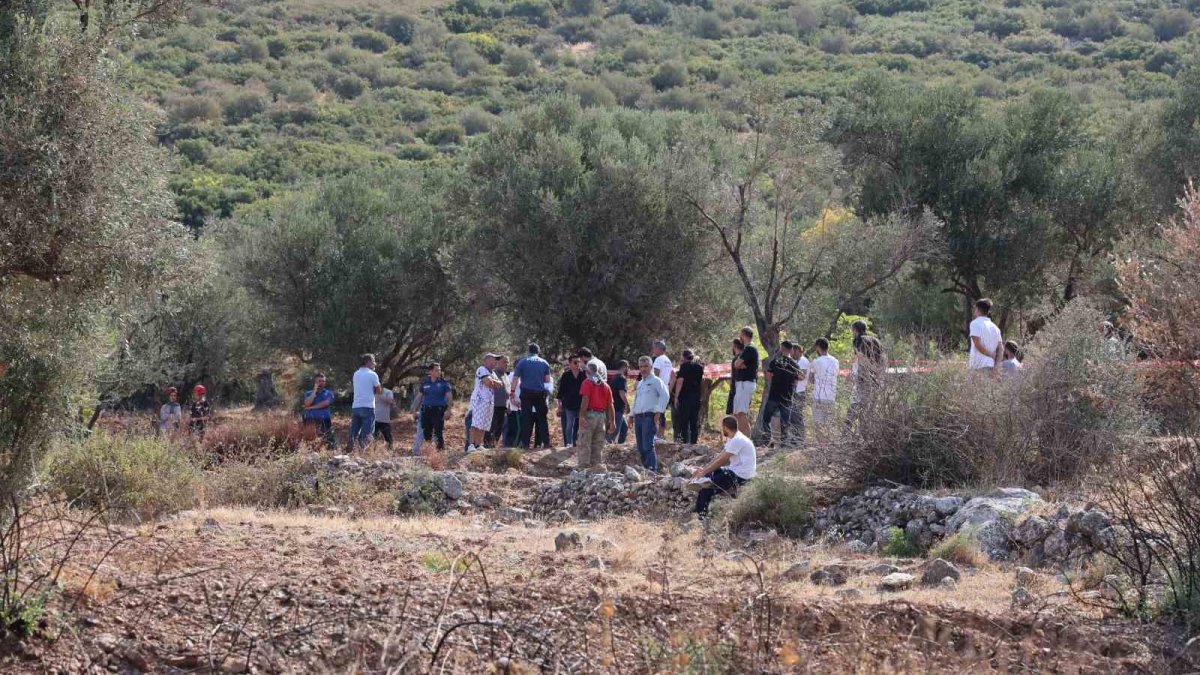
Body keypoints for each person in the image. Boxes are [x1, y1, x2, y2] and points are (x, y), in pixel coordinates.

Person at [688, 415, 756, 520]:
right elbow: (720, 456)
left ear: (725, 427)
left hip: (741, 476)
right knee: (708, 475)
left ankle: (700, 518)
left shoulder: (737, 440)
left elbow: (722, 460)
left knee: (706, 488)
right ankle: (698, 507)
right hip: (735, 471)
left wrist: (704, 472)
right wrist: (704, 470)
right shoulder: (734, 438)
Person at [631, 355, 669, 471]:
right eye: (641, 366)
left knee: (647, 445)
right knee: (640, 447)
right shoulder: (640, 383)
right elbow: (636, 400)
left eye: (646, 366)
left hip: (649, 417)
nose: (643, 369)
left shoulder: (656, 381)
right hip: (638, 417)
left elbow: (665, 395)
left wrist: (658, 411)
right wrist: (631, 415)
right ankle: (645, 470)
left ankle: (652, 471)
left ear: (651, 367)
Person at [511, 344, 553, 449]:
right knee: (542, 419)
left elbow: (515, 378)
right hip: (539, 394)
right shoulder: (544, 363)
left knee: (526, 418)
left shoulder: (522, 362)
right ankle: (546, 442)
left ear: (528, 351)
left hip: (526, 393)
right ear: (538, 352)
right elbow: (547, 380)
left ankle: (525, 443)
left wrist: (512, 391)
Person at [846, 321, 885, 429]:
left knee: (855, 406)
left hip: (863, 378)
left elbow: (861, 357)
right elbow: (882, 359)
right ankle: (865, 433)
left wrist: (863, 371)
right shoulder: (876, 340)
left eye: (852, 330)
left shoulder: (858, 340)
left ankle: (847, 432)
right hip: (876, 379)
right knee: (869, 410)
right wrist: (878, 372)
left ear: (855, 329)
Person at [577, 362, 616, 469]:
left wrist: (581, 416)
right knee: (598, 444)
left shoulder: (587, 382)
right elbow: (610, 405)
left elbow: (585, 399)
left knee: (584, 441)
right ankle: (596, 468)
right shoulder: (606, 386)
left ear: (588, 371)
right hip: (602, 417)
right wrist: (612, 421)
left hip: (589, 415)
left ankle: (583, 467)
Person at [761, 341, 799, 446]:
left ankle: (767, 440)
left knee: (766, 418)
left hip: (774, 395)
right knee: (785, 421)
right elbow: (796, 380)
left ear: (782, 348)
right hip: (787, 397)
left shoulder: (775, 361)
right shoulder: (795, 365)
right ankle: (784, 442)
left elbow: (769, 376)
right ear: (791, 350)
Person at [468, 353, 504, 452]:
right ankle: (471, 445)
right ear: (487, 360)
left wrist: (493, 382)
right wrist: (493, 382)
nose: (496, 361)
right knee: (476, 423)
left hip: (489, 401)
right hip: (479, 400)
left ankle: (478, 444)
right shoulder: (482, 369)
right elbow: (487, 382)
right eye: (494, 359)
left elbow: (500, 384)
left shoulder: (492, 373)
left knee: (484, 424)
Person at [413, 363, 452, 453]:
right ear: (430, 372)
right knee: (426, 433)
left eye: (439, 370)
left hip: (438, 410)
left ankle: (440, 452)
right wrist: (414, 410)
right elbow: (419, 397)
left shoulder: (444, 383)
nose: (439, 372)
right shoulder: (425, 383)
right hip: (426, 410)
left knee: (438, 432)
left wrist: (448, 410)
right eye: (436, 370)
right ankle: (429, 453)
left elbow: (449, 396)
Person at [349, 354, 382, 451]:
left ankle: (350, 448)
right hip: (368, 406)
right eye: (373, 362)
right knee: (367, 431)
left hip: (356, 406)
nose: (374, 364)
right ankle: (364, 451)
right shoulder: (372, 374)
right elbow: (379, 391)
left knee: (354, 430)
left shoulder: (356, 373)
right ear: (368, 362)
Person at [810, 338, 839, 443]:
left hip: (819, 396)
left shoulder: (816, 361)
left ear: (818, 347)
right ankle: (828, 445)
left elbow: (811, 379)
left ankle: (821, 445)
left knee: (819, 423)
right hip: (831, 396)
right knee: (829, 424)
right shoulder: (836, 361)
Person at [731, 327, 759, 436]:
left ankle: (747, 440)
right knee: (736, 414)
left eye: (740, 334)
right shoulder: (747, 349)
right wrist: (740, 364)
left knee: (741, 413)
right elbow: (737, 364)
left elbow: (737, 364)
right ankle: (739, 438)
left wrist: (740, 364)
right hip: (741, 384)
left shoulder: (750, 348)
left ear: (743, 335)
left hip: (746, 383)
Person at [673, 349, 704, 444]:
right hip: (696, 397)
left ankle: (684, 443)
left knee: (684, 421)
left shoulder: (684, 366)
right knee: (694, 421)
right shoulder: (700, 367)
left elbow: (680, 382)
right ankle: (694, 442)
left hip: (685, 397)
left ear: (683, 357)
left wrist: (676, 397)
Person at [556, 355, 586, 447]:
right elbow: (561, 391)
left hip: (582, 405)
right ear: (570, 364)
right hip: (569, 405)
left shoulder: (584, 374)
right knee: (569, 425)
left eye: (579, 362)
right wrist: (559, 406)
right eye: (575, 362)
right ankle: (569, 444)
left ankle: (579, 444)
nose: (578, 364)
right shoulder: (566, 375)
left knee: (582, 425)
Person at [968, 298, 1003, 376]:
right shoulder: (995, 328)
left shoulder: (975, 323)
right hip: (991, 366)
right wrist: (997, 366)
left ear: (977, 309)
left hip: (978, 366)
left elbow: (977, 344)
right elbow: (1001, 349)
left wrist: (991, 354)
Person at [302, 373, 335, 447]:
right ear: (315, 382)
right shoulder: (308, 393)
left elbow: (325, 403)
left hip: (324, 420)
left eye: (323, 381)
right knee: (310, 442)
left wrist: (310, 408)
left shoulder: (328, 393)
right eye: (319, 381)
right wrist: (314, 391)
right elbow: (307, 403)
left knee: (327, 441)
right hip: (310, 420)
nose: (322, 383)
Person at [651, 340, 674, 439]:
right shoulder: (668, 360)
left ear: (660, 349)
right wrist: (669, 389)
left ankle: (655, 435)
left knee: (655, 413)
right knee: (662, 413)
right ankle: (661, 435)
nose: (653, 350)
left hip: (657, 390)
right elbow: (673, 376)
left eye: (655, 348)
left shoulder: (658, 360)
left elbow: (656, 375)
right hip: (665, 390)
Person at [486, 355, 510, 447]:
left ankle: (493, 446)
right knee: (491, 427)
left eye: (507, 362)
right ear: (497, 363)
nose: (506, 364)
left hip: (503, 406)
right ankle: (487, 445)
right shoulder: (493, 373)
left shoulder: (505, 375)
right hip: (494, 406)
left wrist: (508, 405)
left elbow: (507, 391)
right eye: (504, 362)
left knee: (499, 428)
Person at [789, 343, 810, 444]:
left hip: (800, 391)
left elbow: (802, 376)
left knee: (797, 415)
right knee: (793, 415)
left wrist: (789, 375)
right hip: (794, 391)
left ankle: (800, 439)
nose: (790, 353)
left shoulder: (803, 361)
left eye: (792, 351)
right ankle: (795, 438)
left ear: (797, 350)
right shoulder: (795, 361)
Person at [607, 360, 631, 444]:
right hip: (617, 408)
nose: (628, 369)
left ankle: (620, 446)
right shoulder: (622, 378)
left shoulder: (614, 378)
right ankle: (608, 446)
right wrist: (627, 404)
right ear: (624, 367)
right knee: (614, 432)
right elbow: (622, 393)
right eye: (628, 367)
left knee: (624, 428)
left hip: (614, 407)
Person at [501, 360, 521, 447]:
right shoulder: (510, 376)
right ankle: (508, 447)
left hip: (522, 408)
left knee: (519, 428)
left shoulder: (525, 377)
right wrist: (512, 401)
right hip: (512, 407)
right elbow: (506, 390)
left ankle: (518, 447)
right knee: (510, 428)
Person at [374, 385, 397, 451]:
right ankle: (373, 452)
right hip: (374, 419)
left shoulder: (388, 392)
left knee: (388, 438)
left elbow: (391, 401)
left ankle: (390, 452)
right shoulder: (371, 392)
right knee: (373, 438)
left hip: (384, 420)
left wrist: (379, 395)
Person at [725, 338, 744, 416]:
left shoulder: (737, 359)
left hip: (736, 389)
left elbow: (736, 375)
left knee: (736, 413)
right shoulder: (742, 358)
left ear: (735, 346)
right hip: (740, 388)